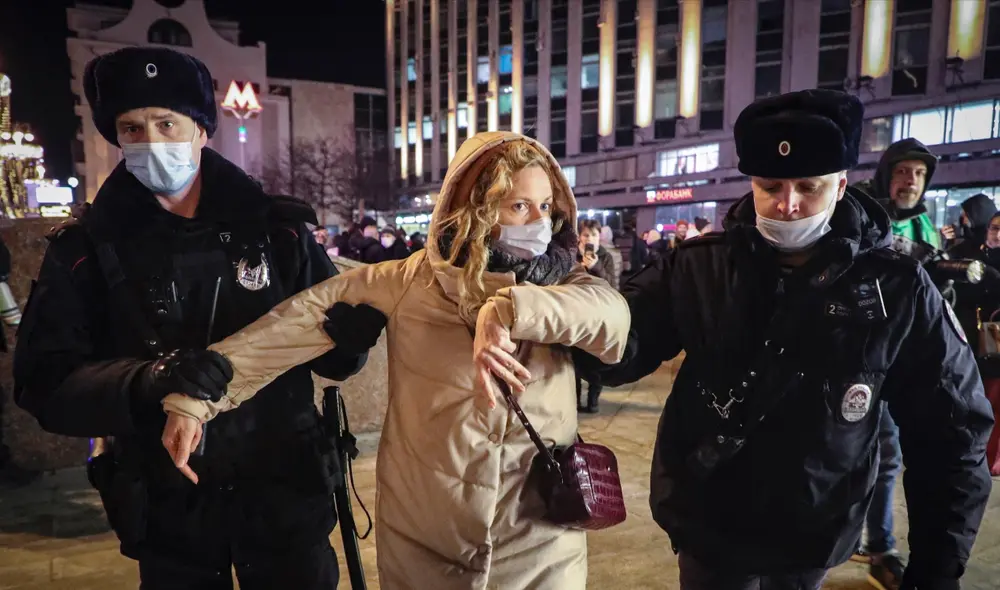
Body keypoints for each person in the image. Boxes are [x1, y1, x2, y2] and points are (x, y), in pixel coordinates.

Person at [158, 131, 630, 589]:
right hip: (427, 531)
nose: (539, 221)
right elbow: (291, 324)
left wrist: (509, 310)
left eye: (546, 206)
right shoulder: (408, 281)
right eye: (520, 205)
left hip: (539, 536)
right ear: (478, 207)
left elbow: (611, 319)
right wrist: (197, 396)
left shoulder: (566, 282)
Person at [576, 89, 993, 590]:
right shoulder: (697, 266)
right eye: (771, 184)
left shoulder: (897, 287)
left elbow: (950, 434)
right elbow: (620, 343)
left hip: (814, 531)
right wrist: (555, 312)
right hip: (710, 523)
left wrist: (937, 568)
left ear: (840, 186)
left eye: (808, 187)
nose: (788, 204)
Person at [12, 47, 382, 590]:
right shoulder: (85, 248)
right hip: (170, 511)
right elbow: (45, 383)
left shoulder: (277, 230)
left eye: (167, 123)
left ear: (202, 130)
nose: (152, 141)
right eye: (132, 127)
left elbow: (334, 356)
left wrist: (350, 342)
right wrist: (150, 380)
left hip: (285, 500)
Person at [857, 138, 940, 256]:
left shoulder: (926, 229)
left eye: (920, 173)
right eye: (902, 171)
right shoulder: (856, 213)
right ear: (886, 176)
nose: (912, 181)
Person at [576, 219, 621, 413]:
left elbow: (612, 285)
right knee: (573, 361)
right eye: (586, 235)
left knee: (596, 358)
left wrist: (595, 267)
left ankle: (593, 400)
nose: (590, 239)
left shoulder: (605, 257)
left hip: (597, 313)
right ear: (579, 236)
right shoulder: (570, 255)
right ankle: (574, 401)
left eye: (594, 235)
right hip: (576, 312)